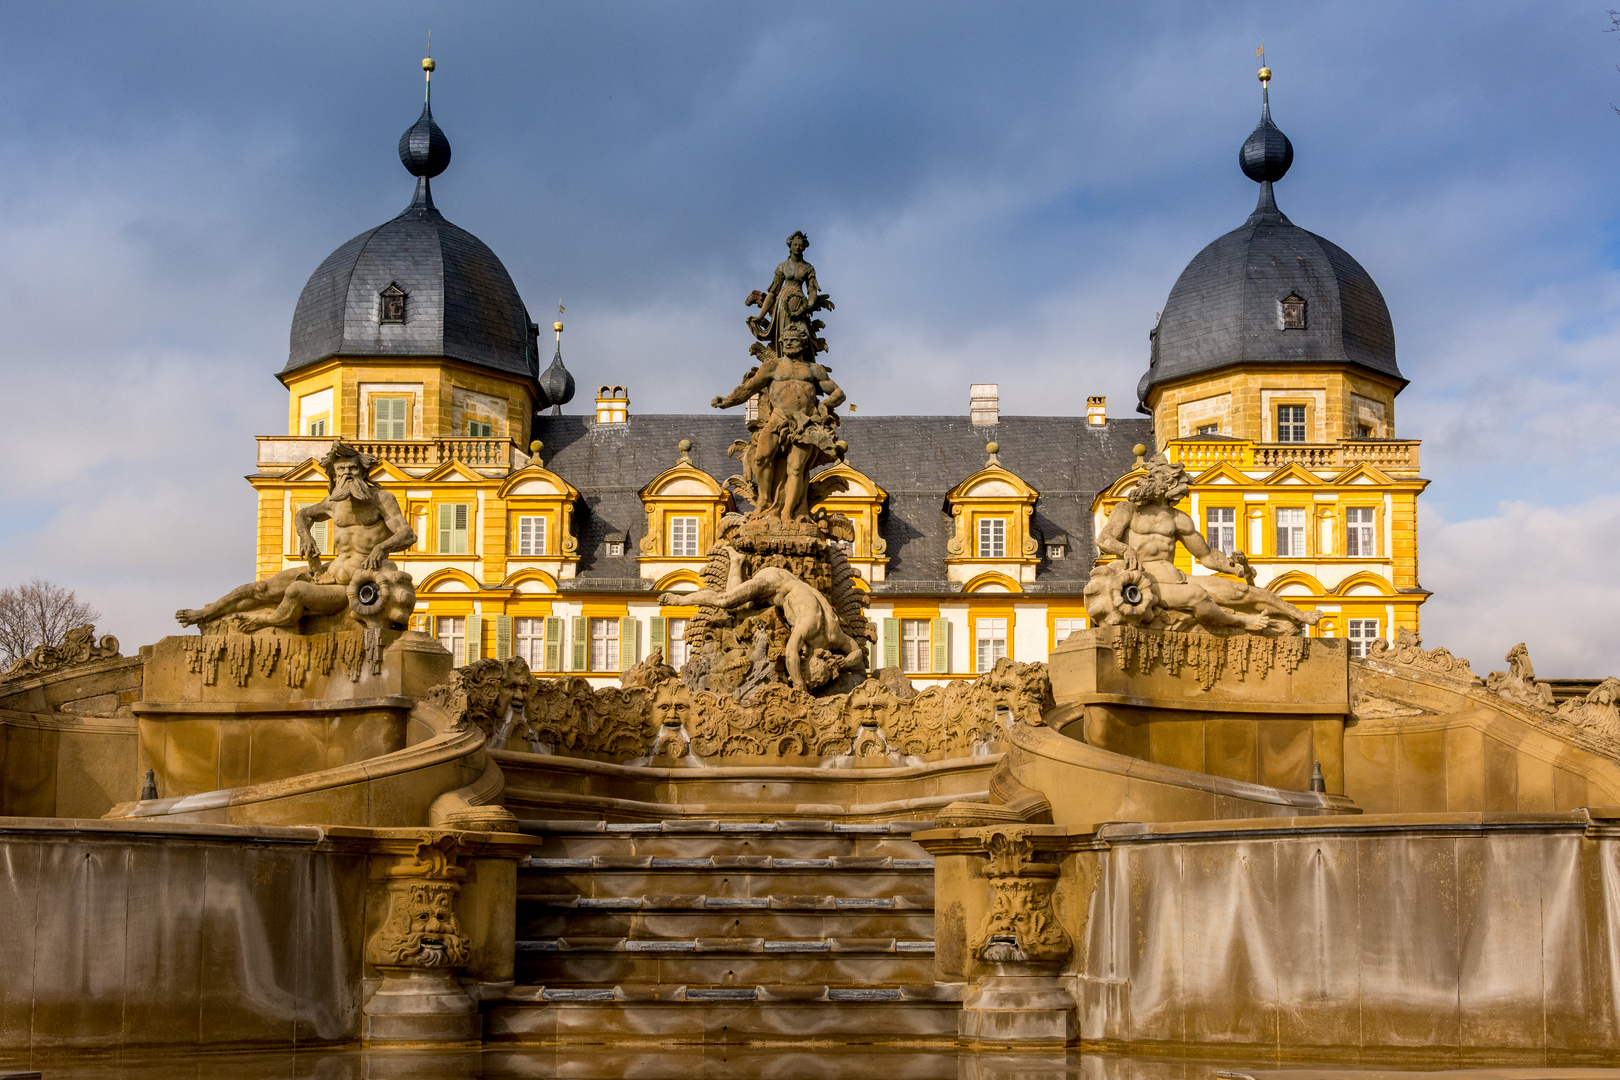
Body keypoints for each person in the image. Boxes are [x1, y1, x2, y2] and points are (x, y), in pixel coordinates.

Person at [176, 443, 417, 631]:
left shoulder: (381, 500)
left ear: (363, 471)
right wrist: (305, 537)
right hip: (327, 573)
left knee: (296, 590)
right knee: (262, 588)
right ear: (334, 474)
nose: (348, 475)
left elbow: (407, 534)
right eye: (341, 470)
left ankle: (270, 621)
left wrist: (381, 549)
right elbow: (303, 515)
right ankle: (206, 614)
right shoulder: (334, 503)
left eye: (353, 469)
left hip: (351, 587)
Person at [1093, 457, 1320, 634]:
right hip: (1145, 583)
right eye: (1180, 484)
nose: (1184, 490)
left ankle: (1299, 615)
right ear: (1163, 484)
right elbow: (1104, 540)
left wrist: (1235, 569)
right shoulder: (1128, 510)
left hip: (1176, 577)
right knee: (1197, 595)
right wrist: (1125, 549)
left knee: (1240, 590)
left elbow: (1207, 555)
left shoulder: (1178, 518)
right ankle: (1243, 621)